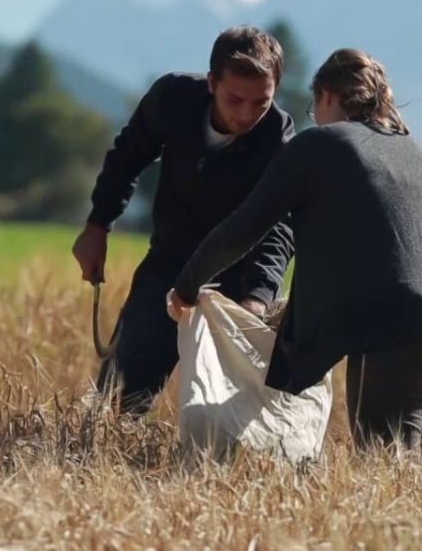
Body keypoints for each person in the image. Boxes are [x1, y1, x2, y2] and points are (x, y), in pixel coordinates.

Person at [169, 48, 422, 450]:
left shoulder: (319, 145)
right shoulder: (413, 150)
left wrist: (187, 285)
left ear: (327, 95)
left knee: (387, 474)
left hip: (394, 326)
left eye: (314, 106)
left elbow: (243, 229)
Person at [73, 26, 296, 415]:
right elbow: (127, 157)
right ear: (211, 83)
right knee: (118, 397)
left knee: (228, 414)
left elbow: (280, 225)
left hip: (238, 280)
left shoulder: (279, 136)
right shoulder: (172, 99)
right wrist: (97, 225)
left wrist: (259, 296)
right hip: (169, 263)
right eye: (235, 99)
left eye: (261, 102)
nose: (247, 114)